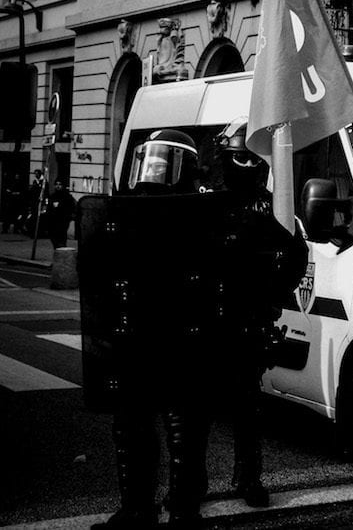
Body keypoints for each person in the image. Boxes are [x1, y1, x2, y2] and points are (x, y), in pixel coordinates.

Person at [94, 129, 205, 529]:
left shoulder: (201, 213)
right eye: (152, 161)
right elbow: (103, 268)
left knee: (181, 428)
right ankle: (137, 507)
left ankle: (183, 509)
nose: (155, 171)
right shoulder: (128, 211)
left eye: (164, 163)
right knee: (130, 425)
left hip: (182, 337)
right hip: (137, 335)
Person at [205, 117, 307, 508]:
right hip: (207, 316)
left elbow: (296, 252)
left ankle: (249, 478)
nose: (246, 164)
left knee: (248, 405)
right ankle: (191, 483)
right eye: (240, 157)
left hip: (247, 317)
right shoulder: (207, 199)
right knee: (196, 407)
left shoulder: (270, 205)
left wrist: (274, 294)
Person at [47, 179, 76, 249]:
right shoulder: (52, 196)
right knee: (53, 237)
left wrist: (60, 206)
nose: (58, 186)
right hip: (53, 220)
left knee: (61, 236)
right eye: (56, 184)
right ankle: (58, 249)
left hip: (63, 220)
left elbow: (71, 207)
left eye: (60, 184)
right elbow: (49, 207)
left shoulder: (67, 196)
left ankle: (61, 251)